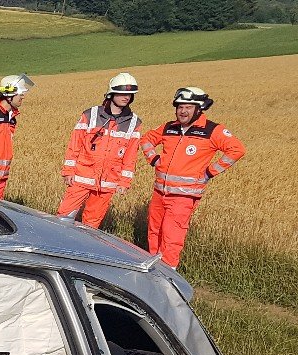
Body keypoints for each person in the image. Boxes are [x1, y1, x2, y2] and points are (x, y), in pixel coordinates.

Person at [140, 87, 246, 268]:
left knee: (171, 236)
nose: (183, 111)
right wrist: (154, 159)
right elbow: (146, 139)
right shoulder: (169, 127)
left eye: (188, 107)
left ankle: (168, 276)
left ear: (199, 109)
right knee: (154, 231)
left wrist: (210, 172)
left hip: (184, 196)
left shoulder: (212, 130)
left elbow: (237, 149)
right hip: (160, 192)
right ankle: (152, 270)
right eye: (180, 107)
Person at [57, 72, 143, 228]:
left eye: (130, 94)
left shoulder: (134, 122)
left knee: (91, 225)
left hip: (107, 183)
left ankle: (84, 250)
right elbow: (75, 143)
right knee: (63, 217)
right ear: (111, 93)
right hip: (81, 177)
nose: (126, 97)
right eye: (122, 93)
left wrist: (124, 182)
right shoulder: (91, 115)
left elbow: (131, 156)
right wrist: (68, 170)